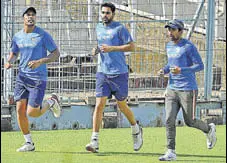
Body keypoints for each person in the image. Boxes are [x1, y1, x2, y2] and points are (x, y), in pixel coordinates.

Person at [85, 2, 143, 153]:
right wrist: (96, 50)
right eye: (103, 12)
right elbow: (101, 45)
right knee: (99, 105)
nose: (104, 15)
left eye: (107, 13)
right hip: (102, 72)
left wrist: (113, 48)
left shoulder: (120, 28)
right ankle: (94, 140)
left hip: (119, 73)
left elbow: (132, 46)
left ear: (113, 14)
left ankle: (136, 128)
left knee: (122, 105)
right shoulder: (98, 27)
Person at [4, 7, 62, 152]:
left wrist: (40, 61)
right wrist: (9, 61)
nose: (31, 17)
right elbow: (14, 52)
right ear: (23, 18)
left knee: (32, 113)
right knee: (20, 110)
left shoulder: (42, 35)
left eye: (33, 15)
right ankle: (28, 143)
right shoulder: (17, 36)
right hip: (22, 78)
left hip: (38, 79)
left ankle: (51, 102)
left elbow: (56, 54)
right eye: (28, 15)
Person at [158, 19, 217, 161]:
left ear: (180, 31)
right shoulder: (169, 46)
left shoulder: (188, 47)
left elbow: (200, 66)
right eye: (168, 30)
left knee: (189, 121)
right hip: (172, 88)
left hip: (188, 89)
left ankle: (209, 129)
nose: (169, 32)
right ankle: (171, 151)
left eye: (172, 29)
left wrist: (181, 70)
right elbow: (170, 63)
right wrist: (164, 70)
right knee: (168, 119)